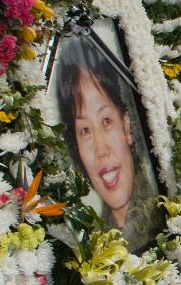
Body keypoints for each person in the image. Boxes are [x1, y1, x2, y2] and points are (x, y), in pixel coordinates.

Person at [57, 36, 162, 250]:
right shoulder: (94, 242)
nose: (101, 150)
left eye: (106, 121)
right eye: (84, 130)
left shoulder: (164, 211)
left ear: (126, 126)